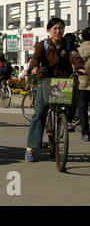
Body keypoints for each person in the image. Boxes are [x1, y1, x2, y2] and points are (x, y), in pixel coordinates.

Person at [25, 17, 85, 161]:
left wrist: (80, 67)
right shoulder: (43, 44)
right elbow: (36, 58)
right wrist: (34, 68)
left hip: (62, 81)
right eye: (55, 29)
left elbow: (75, 57)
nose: (58, 31)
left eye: (61, 28)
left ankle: (64, 122)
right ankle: (31, 147)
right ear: (49, 30)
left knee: (73, 100)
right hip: (45, 80)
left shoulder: (68, 45)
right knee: (40, 113)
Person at [77, 27, 90, 141]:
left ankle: (85, 132)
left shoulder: (79, 50)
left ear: (82, 37)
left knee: (82, 109)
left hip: (82, 83)